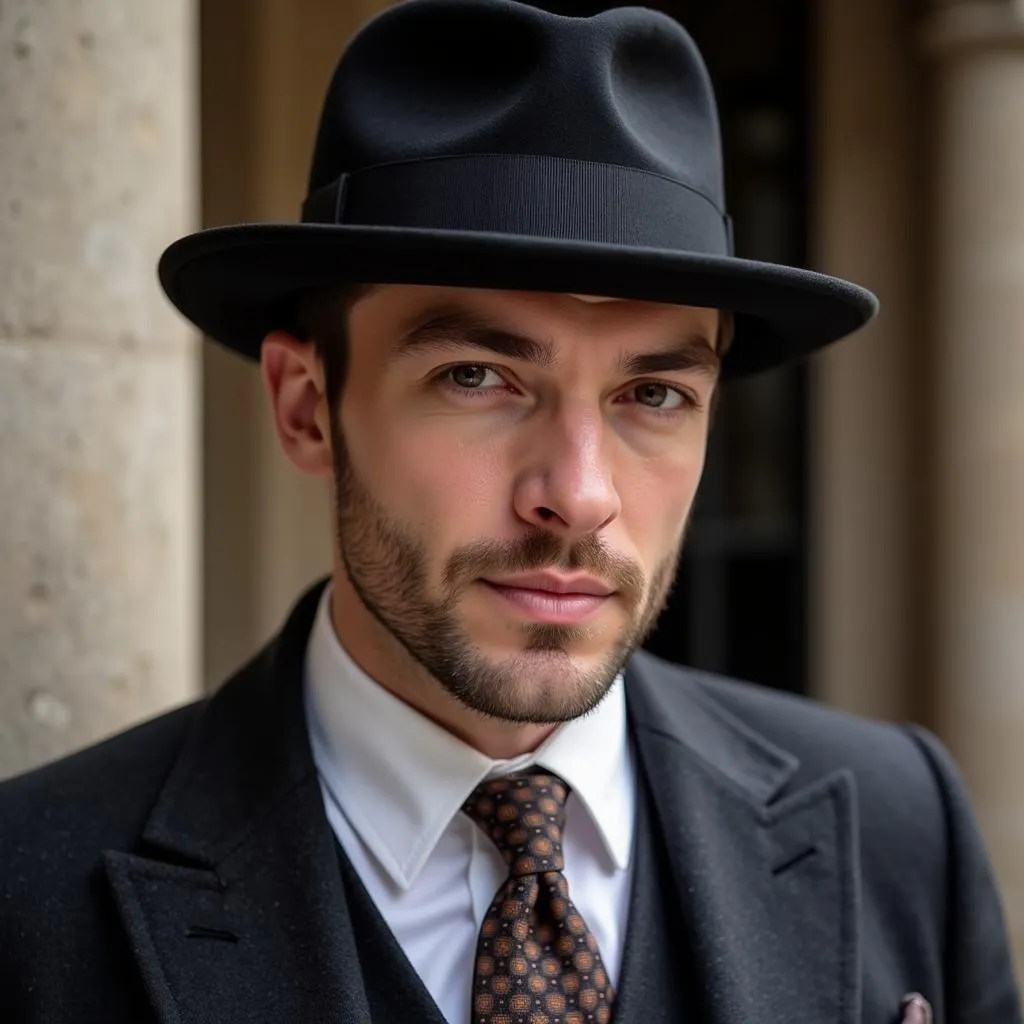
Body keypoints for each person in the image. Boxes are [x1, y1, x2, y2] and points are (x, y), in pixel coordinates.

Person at [0, 1, 1018, 1021]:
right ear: (306, 408)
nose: (577, 494)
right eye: (477, 376)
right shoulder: (28, 896)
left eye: (653, 394)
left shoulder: (898, 822)